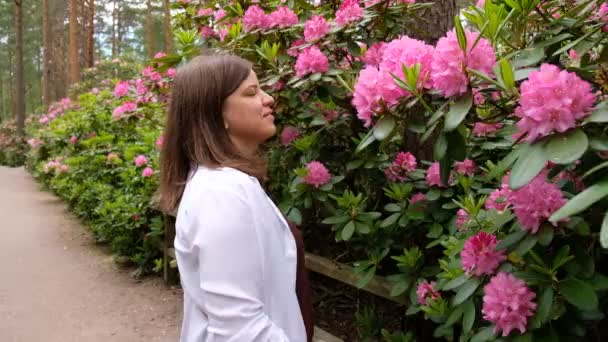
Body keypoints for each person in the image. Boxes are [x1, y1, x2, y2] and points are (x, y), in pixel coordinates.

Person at [156, 53, 313, 342]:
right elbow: (240, 330)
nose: (268, 99)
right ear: (217, 115)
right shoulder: (220, 193)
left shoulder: (227, 184)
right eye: (252, 92)